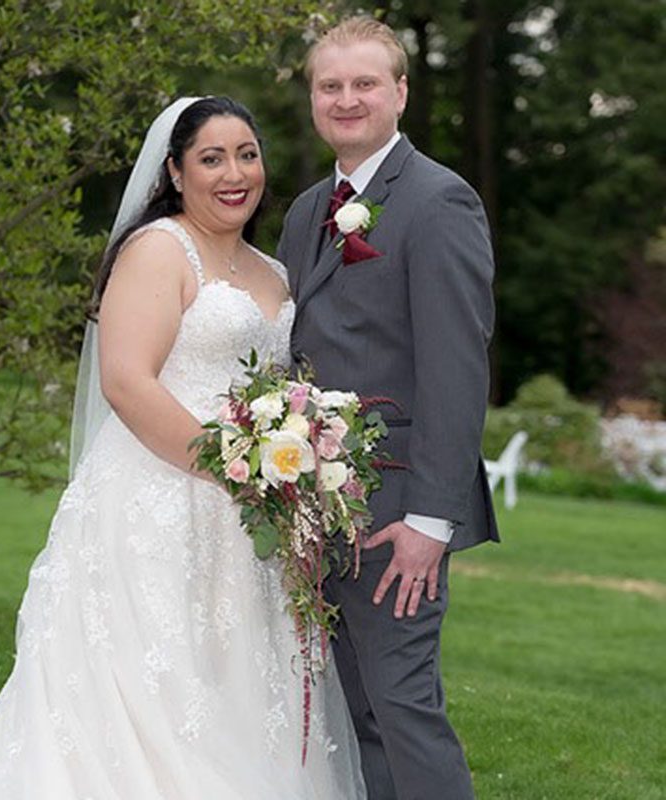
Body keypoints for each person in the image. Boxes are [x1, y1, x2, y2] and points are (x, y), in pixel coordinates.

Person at [0, 96, 365, 799]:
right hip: (157, 501)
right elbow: (126, 381)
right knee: (156, 687)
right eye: (211, 158)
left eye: (247, 154)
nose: (234, 173)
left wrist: (282, 467)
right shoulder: (159, 250)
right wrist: (236, 469)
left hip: (248, 522)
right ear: (176, 172)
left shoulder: (272, 271)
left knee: (237, 683)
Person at [277, 17, 499, 800]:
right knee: (356, 709)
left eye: (365, 83)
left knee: (404, 707)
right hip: (320, 510)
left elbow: (456, 367)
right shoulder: (307, 211)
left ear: (400, 93)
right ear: (312, 99)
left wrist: (432, 523)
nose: (346, 100)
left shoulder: (440, 201)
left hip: (400, 510)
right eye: (330, 86)